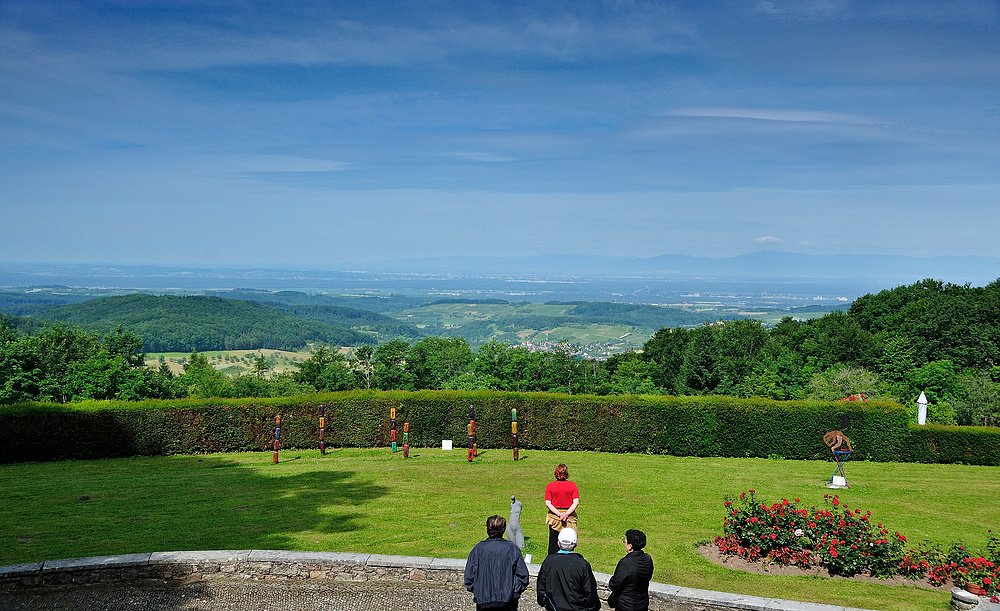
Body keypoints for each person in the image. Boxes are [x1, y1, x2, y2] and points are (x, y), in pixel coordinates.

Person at [465, 514, 530, 611]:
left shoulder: (478, 549)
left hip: (485, 601)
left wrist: (479, 591)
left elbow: (469, 578)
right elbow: (523, 576)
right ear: (503, 530)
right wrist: (513, 591)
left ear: (487, 529)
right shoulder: (512, 549)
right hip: (506, 601)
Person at [536, 528, 600, 611]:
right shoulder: (582, 564)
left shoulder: (549, 561)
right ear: (576, 544)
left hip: (554, 608)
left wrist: (546, 603)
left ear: (558, 543)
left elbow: (541, 588)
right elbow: (590, 593)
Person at [607, 529, 654, 611]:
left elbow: (614, 585)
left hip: (626, 606)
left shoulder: (625, 563)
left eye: (625, 542)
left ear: (630, 546)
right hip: (642, 604)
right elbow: (648, 576)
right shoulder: (647, 559)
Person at [544, 463, 579, 556]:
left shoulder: (550, 486)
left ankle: (552, 562)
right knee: (569, 543)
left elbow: (548, 503)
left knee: (553, 543)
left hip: (555, 518)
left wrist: (560, 514)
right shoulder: (573, 486)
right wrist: (566, 514)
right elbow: (576, 502)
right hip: (569, 518)